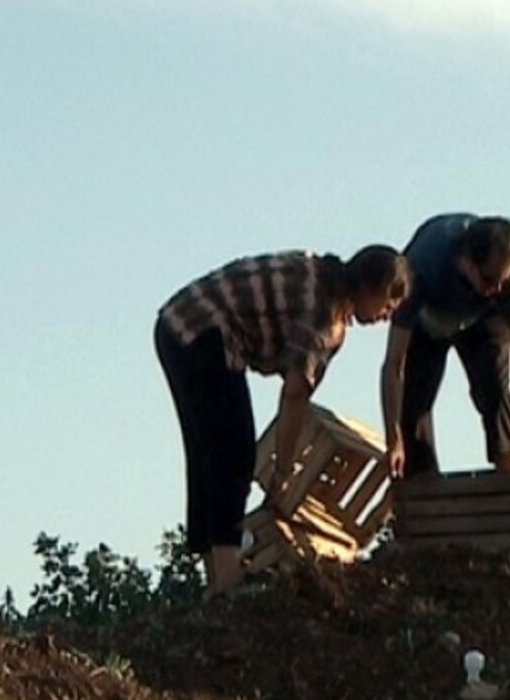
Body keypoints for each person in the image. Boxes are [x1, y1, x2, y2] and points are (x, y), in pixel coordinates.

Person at [156, 246, 411, 599]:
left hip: (178, 323)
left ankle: (215, 577)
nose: (388, 314)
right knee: (232, 451)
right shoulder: (324, 315)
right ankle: (226, 581)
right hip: (202, 330)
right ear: (370, 287)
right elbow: (294, 396)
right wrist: (284, 470)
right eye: (388, 303)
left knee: (207, 452)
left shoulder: (320, 277)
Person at [380, 213, 510, 481]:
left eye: (504, 279)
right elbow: (393, 363)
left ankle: (509, 474)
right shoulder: (421, 268)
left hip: (482, 319)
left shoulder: (509, 280)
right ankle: (422, 487)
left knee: (495, 387)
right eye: (490, 280)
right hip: (428, 320)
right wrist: (393, 440)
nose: (498, 287)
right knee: (414, 403)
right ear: (467, 261)